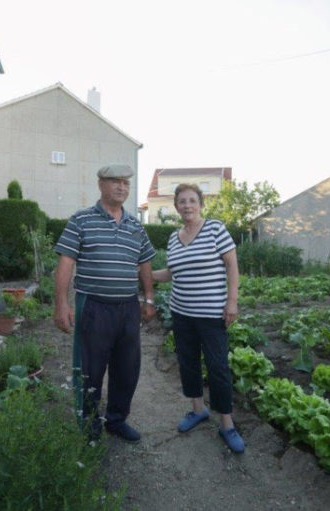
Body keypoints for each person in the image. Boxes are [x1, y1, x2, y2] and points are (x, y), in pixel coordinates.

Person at [54, 164, 157, 442]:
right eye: (115, 182)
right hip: (94, 306)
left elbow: (144, 262)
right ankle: (89, 426)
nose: (122, 187)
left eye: (125, 183)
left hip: (128, 307)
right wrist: (61, 304)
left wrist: (148, 298)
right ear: (101, 185)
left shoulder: (136, 226)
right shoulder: (81, 220)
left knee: (127, 368)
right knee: (90, 368)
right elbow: (66, 262)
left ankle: (116, 420)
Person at [152, 183, 245, 453]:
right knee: (188, 363)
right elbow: (171, 273)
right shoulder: (173, 237)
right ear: (176, 206)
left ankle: (226, 424)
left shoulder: (215, 229)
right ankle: (198, 410)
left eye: (192, 200)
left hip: (212, 314)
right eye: (182, 201)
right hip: (181, 313)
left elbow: (232, 265)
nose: (187, 205)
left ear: (201, 204)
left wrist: (232, 302)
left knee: (218, 367)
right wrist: (142, 273)